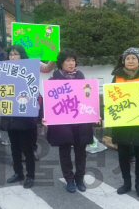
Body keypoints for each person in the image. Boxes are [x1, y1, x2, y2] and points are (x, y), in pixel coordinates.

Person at [44, 49, 93, 193]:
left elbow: (88, 99)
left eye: (73, 60)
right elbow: (49, 102)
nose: (71, 63)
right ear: (61, 63)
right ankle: (69, 179)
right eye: (68, 60)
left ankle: (79, 178)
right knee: (64, 151)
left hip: (80, 122)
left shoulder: (81, 77)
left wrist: (95, 113)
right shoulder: (54, 80)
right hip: (62, 122)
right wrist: (45, 115)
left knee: (81, 151)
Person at [111, 47, 139, 198]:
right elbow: (111, 98)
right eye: (127, 58)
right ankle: (126, 182)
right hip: (122, 120)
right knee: (123, 153)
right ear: (123, 61)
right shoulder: (117, 77)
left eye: (133, 58)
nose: (130, 61)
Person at [2, 45, 39, 189]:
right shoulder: (4, 72)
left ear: (22, 56)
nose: (12, 57)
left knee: (27, 148)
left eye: (16, 54)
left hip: (25, 115)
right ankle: (18, 172)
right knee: (14, 148)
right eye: (10, 54)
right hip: (11, 116)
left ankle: (30, 175)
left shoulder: (30, 70)